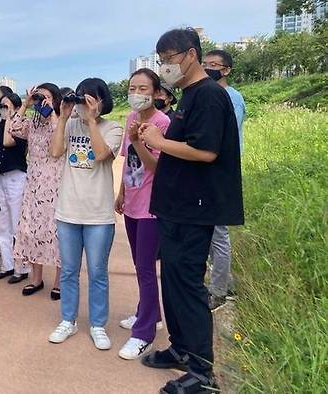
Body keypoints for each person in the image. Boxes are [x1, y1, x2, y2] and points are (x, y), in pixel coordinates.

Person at [138, 28, 244, 393]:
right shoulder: (188, 97)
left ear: (190, 55)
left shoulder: (210, 96)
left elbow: (206, 152)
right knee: (174, 282)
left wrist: (159, 141)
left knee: (187, 285)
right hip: (175, 206)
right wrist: (150, 143)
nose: (165, 67)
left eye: (167, 60)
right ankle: (181, 348)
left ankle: (203, 372)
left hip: (195, 208)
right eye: (161, 61)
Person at [48, 78, 124, 351]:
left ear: (102, 101)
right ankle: (68, 320)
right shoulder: (69, 124)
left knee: (97, 272)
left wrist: (91, 121)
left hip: (98, 215)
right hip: (68, 211)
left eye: (90, 100)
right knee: (68, 271)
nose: (84, 105)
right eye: (82, 99)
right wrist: (62, 117)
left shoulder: (114, 127)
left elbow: (102, 154)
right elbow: (55, 152)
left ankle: (98, 325)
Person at [114, 68, 170, 360]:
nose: (136, 93)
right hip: (132, 201)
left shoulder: (163, 123)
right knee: (139, 264)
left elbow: (157, 168)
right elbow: (128, 162)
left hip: (151, 207)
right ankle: (149, 313)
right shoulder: (131, 118)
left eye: (143, 88)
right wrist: (122, 192)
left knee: (147, 268)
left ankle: (144, 333)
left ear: (157, 93)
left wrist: (139, 140)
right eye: (132, 87)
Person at [8, 84, 64, 300]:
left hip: (55, 182)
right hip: (34, 183)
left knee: (55, 232)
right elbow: (13, 128)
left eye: (46, 97)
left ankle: (59, 281)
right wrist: (26, 103)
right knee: (32, 230)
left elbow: (61, 137)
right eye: (40, 97)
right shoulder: (32, 123)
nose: (42, 101)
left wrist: (52, 113)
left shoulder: (60, 121)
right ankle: (36, 278)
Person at [203, 49, 247, 311]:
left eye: (214, 65)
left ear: (227, 70)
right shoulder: (209, 94)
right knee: (210, 231)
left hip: (220, 172)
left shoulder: (231, 97)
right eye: (205, 64)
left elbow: (224, 137)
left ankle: (219, 291)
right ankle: (225, 282)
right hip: (208, 172)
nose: (208, 68)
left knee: (218, 233)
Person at [0, 86, 30, 285]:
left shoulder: (22, 125)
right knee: (2, 224)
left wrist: (11, 116)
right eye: (0, 104)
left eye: (6, 104)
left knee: (17, 222)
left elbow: (9, 143)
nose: (1, 107)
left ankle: (22, 267)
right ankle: (7, 265)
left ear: (18, 107)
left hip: (16, 176)